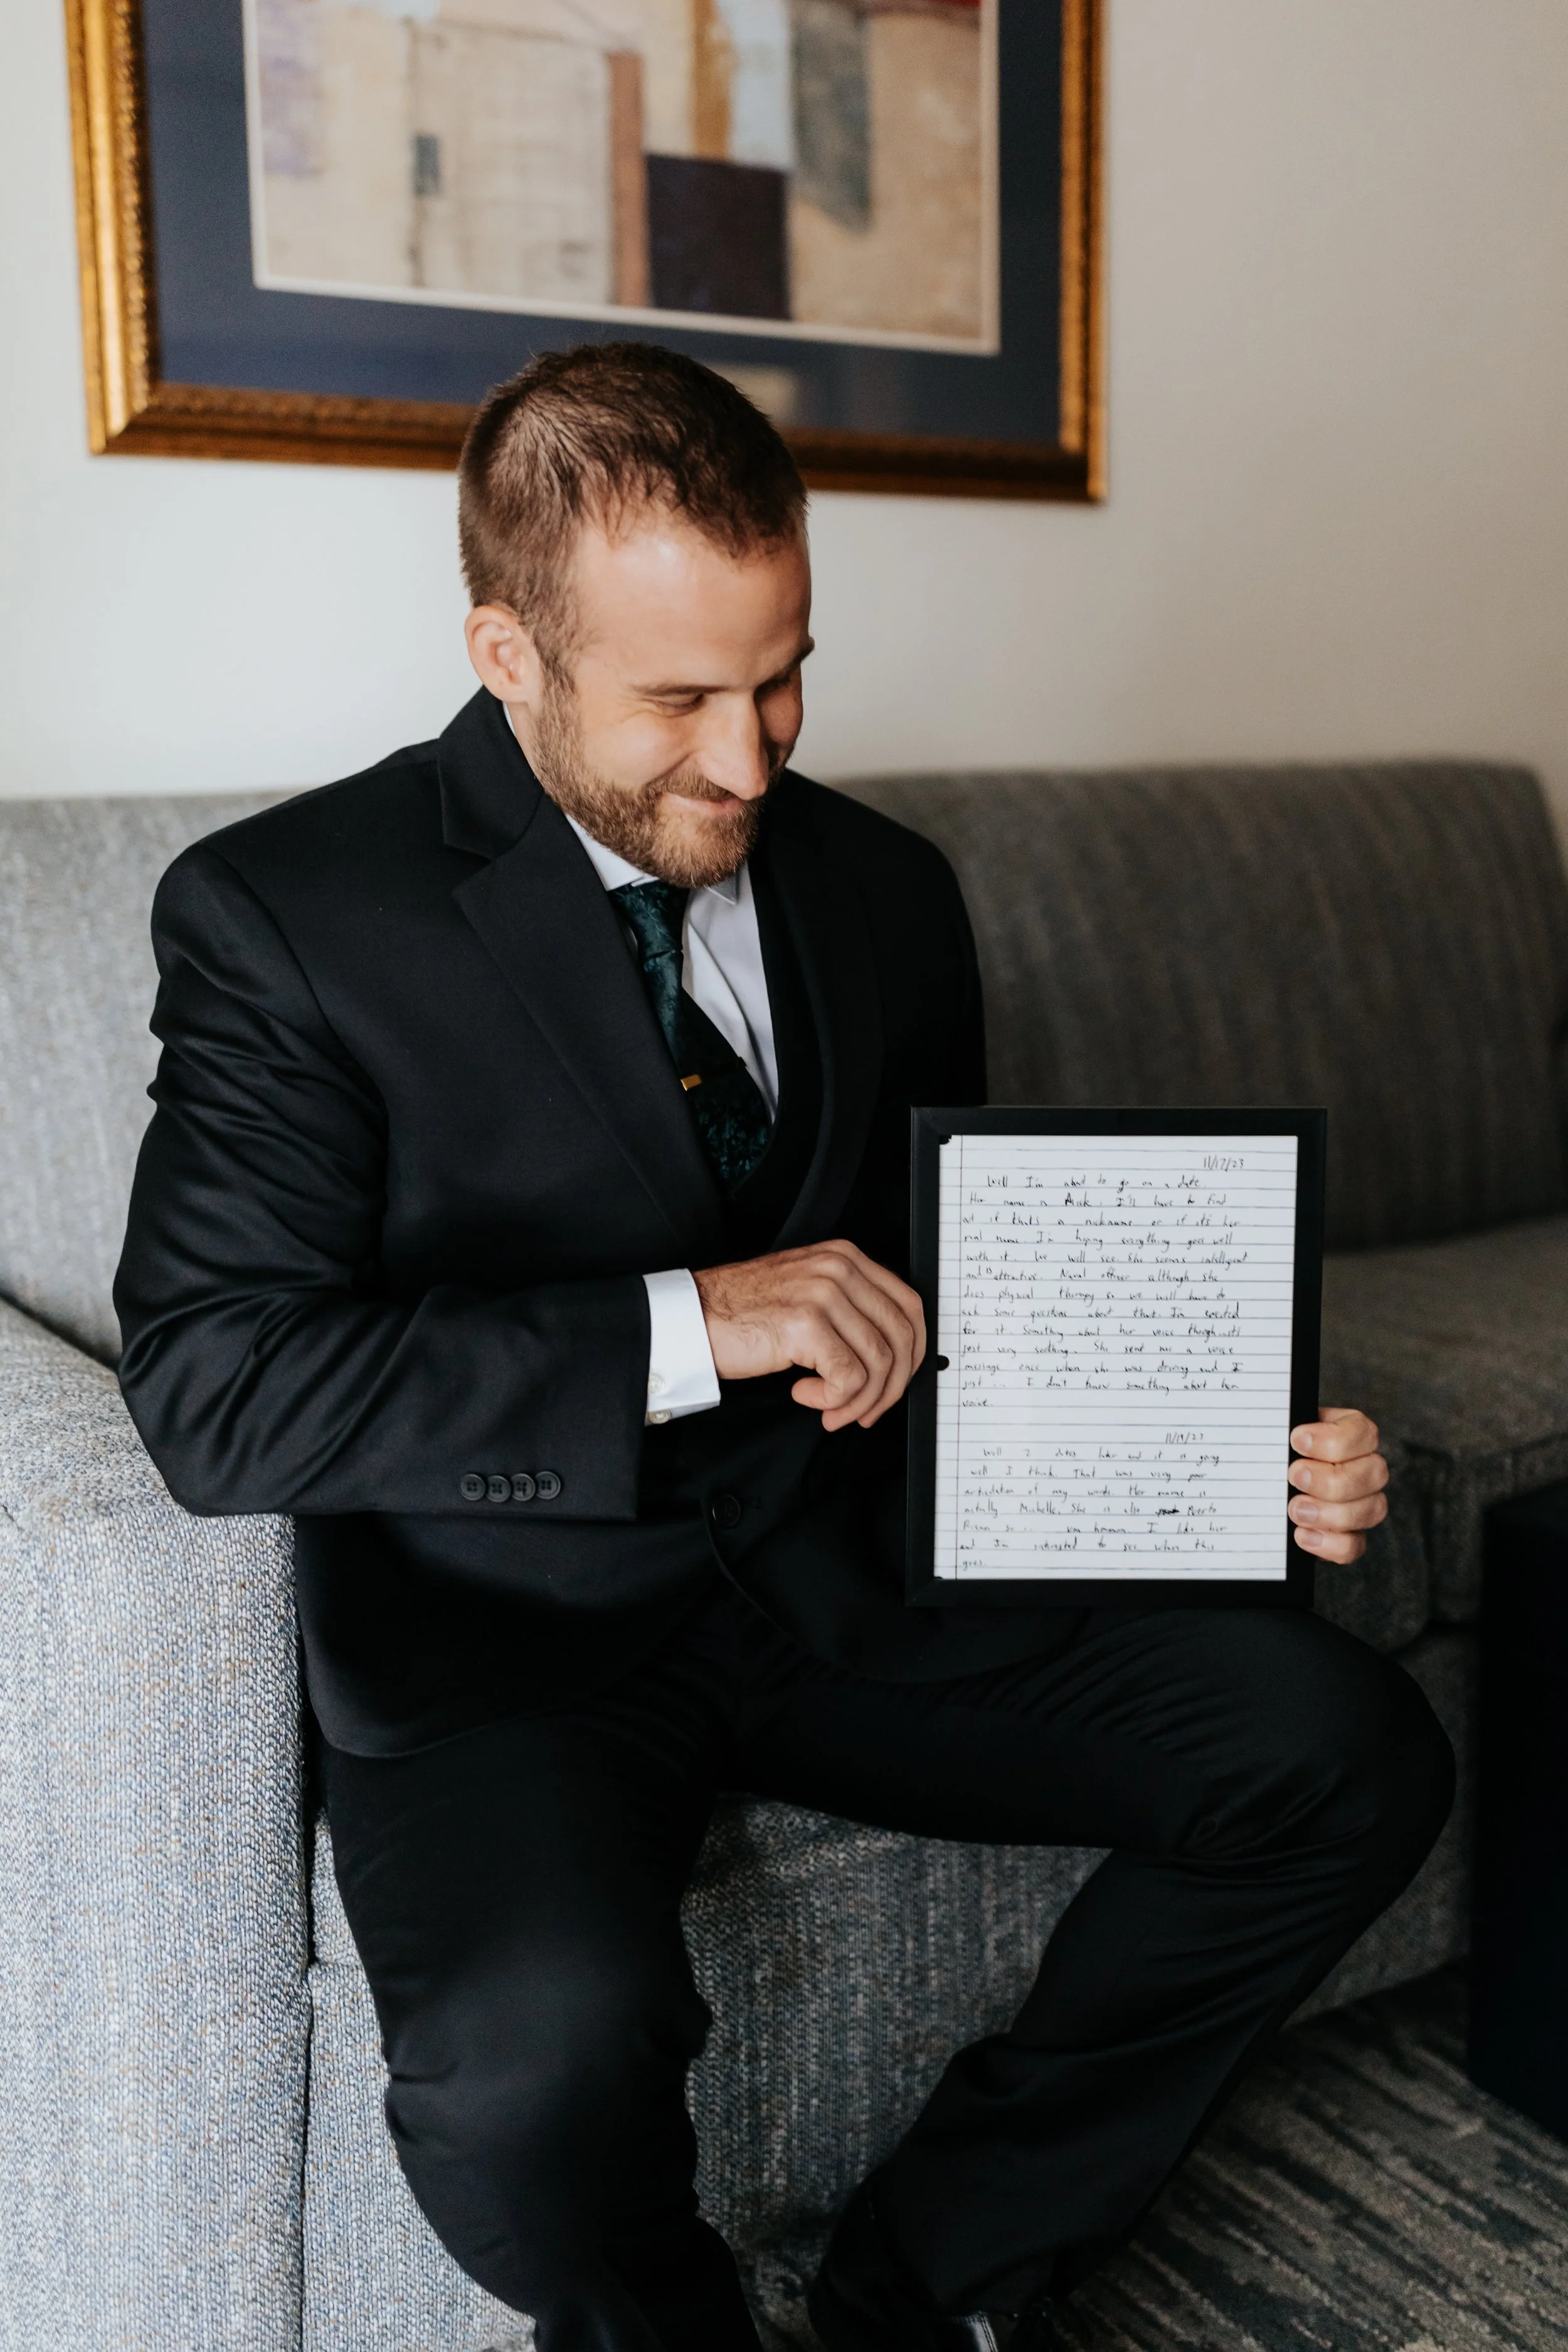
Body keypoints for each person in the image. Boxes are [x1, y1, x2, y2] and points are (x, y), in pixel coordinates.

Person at [115, 342, 1453, 2352]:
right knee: (530, 2070)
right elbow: (219, 1390)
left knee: (1346, 1752)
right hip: (517, 1631)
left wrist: (1232, 1454)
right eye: (679, 698)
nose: (752, 759)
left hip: (855, 1578)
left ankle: (920, 2288)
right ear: (507, 648)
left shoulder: (888, 890)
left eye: (786, 671)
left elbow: (952, 1295)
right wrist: (693, 1321)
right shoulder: (285, 916)